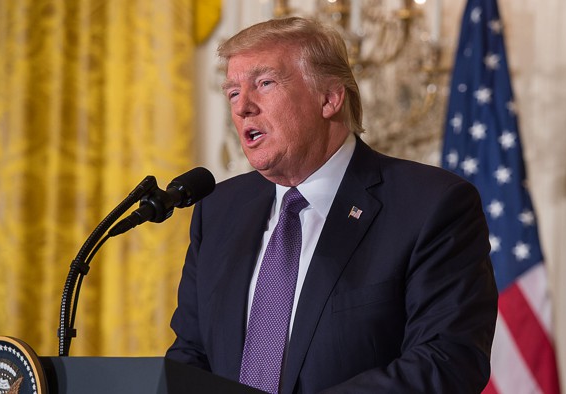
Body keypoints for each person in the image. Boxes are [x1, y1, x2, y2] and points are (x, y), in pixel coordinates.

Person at [165, 16, 498, 394]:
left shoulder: (431, 206)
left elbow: (447, 360)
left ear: (330, 97)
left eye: (264, 83)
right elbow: (190, 356)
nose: (243, 107)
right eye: (232, 92)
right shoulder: (218, 210)